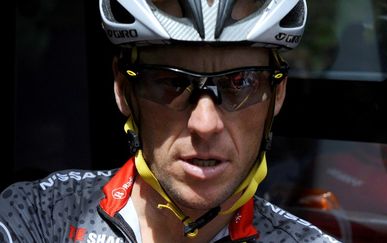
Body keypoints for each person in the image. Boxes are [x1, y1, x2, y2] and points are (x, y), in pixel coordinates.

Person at [1, 0, 340, 242]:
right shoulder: (42, 215)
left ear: (278, 94)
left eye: (241, 82)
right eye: (170, 82)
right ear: (123, 89)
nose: (205, 124)